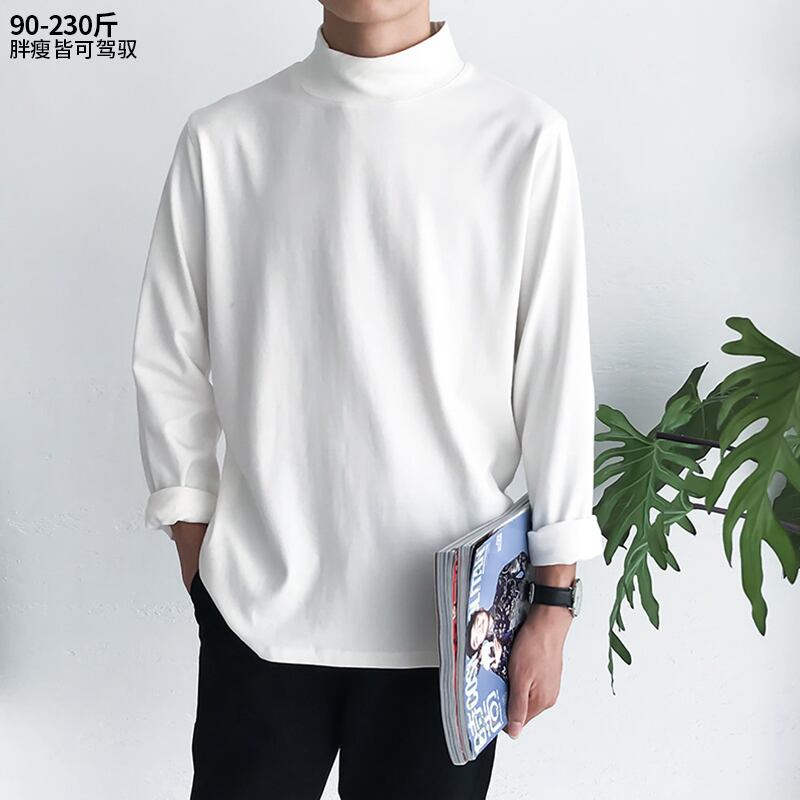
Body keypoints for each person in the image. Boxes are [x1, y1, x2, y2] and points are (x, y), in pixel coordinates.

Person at [131, 1, 606, 798]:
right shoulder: (224, 139)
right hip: (258, 613)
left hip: (450, 631)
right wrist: (194, 545)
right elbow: (170, 356)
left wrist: (554, 600)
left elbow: (555, 376)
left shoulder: (523, 138)